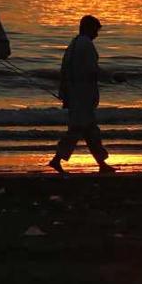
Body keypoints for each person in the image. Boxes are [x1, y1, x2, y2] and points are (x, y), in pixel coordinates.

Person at [49, 14, 124, 174]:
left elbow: (64, 71)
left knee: (90, 131)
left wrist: (64, 93)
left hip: (76, 94)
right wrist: (112, 76)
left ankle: (102, 165)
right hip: (82, 96)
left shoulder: (74, 44)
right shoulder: (86, 45)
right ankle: (56, 160)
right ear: (89, 28)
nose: (97, 34)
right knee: (77, 130)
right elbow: (92, 70)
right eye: (96, 30)